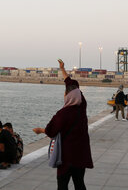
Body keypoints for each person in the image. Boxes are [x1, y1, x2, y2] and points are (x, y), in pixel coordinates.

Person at [33, 59, 93, 190]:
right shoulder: (82, 106)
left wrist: (40, 130)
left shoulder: (62, 113)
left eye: (65, 93)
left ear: (68, 96)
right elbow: (72, 84)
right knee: (79, 183)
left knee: (62, 185)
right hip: (81, 154)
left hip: (67, 156)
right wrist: (62, 69)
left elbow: (50, 131)